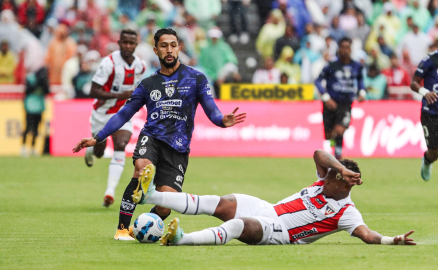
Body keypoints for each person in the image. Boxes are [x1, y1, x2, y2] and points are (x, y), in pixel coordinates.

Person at [72, 28, 246, 241]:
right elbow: (124, 113)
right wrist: (98, 137)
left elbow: (211, 108)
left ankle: (141, 229)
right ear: (156, 50)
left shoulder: (196, 78)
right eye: (164, 46)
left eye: (173, 45)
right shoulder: (148, 84)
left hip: (178, 149)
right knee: (142, 167)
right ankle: (121, 229)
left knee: (165, 207)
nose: (169, 50)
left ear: (179, 48)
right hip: (152, 137)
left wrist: (221, 120)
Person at [131, 150, 416, 246]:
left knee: (239, 225)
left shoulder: (347, 212)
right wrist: (339, 168)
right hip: (270, 208)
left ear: (344, 186)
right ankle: (151, 195)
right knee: (219, 201)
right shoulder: (325, 180)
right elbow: (318, 154)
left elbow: (367, 235)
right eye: (329, 173)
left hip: (283, 233)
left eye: (332, 176)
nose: (325, 176)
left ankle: (181, 239)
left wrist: (393, 240)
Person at [83, 29, 146, 209]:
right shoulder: (109, 63)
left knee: (120, 145)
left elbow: (138, 89)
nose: (128, 46)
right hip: (102, 114)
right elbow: (93, 90)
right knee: (99, 152)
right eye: (125, 42)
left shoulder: (140, 66)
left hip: (123, 113)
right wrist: (122, 94)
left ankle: (109, 192)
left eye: (131, 43)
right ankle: (91, 151)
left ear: (136, 44)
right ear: (119, 43)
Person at [314, 37, 366, 159]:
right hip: (330, 102)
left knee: (340, 129)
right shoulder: (332, 66)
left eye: (347, 47)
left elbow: (360, 79)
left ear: (351, 49)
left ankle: (338, 153)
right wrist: (326, 97)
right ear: (339, 49)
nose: (345, 50)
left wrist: (362, 91)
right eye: (342, 47)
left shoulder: (356, 66)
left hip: (346, 103)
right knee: (328, 135)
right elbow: (318, 81)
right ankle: (335, 146)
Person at [410, 48, 438, 181]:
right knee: (434, 152)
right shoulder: (430, 60)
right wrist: (425, 92)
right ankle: (427, 161)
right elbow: (413, 83)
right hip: (431, 113)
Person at [21, 67, 49, 157]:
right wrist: (36, 83)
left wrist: (43, 83)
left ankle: (33, 147)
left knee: (36, 129)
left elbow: (47, 91)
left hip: (39, 108)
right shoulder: (31, 78)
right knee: (28, 128)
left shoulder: (44, 81)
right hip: (30, 107)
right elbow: (27, 91)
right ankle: (24, 147)